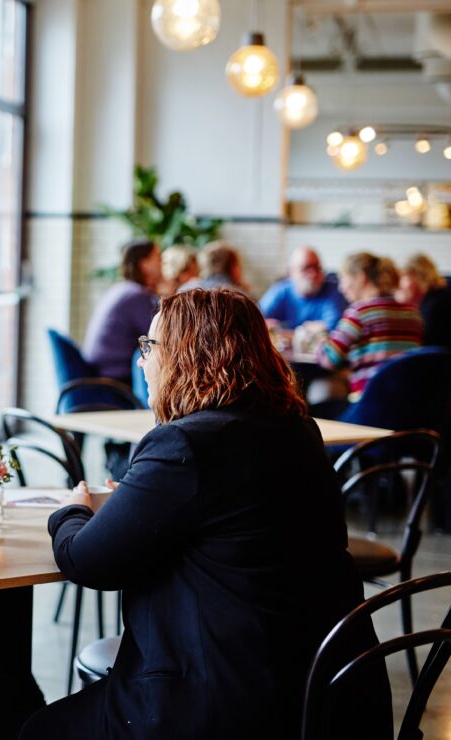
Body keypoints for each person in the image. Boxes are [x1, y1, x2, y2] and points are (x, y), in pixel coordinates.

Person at [20, 289, 392, 740]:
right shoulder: (298, 429)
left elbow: (86, 560)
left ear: (186, 355)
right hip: (325, 695)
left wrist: (72, 512)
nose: (142, 363)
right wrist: (139, 502)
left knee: (38, 731)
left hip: (223, 709)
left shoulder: (185, 444)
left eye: (149, 347)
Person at [317, 251, 423, 402]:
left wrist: (319, 338)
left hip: (371, 405)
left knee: (317, 406)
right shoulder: (413, 313)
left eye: (343, 279)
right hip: (408, 404)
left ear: (360, 277)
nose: (341, 288)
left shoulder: (359, 312)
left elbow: (329, 359)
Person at [83, 238, 161, 385]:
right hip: (115, 377)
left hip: (102, 371)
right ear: (144, 264)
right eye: (158, 258)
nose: (162, 264)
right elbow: (160, 334)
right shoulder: (136, 295)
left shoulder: (124, 290)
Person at [259, 245, 347, 330]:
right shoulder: (280, 290)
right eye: (306, 268)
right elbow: (255, 319)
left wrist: (282, 332)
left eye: (317, 267)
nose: (313, 274)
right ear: (292, 271)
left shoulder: (334, 290)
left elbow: (332, 329)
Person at [397, 252, 451, 349]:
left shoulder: (434, 307)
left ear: (420, 277)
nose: (400, 284)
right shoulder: (435, 297)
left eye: (405, 277)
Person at [178, 240, 249, 293]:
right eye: (238, 265)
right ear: (233, 267)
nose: (241, 269)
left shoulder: (185, 290)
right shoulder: (239, 295)